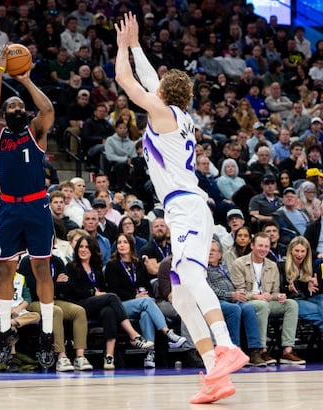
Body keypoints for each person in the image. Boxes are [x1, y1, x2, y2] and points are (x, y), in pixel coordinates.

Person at [114, 14, 247, 404]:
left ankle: (226, 346)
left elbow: (126, 81)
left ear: (162, 94)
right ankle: (215, 372)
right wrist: (136, 46)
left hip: (187, 206)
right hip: (184, 209)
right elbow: (150, 79)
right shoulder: (180, 116)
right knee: (181, 294)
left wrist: (121, 47)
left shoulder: (162, 114)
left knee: (189, 273)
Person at [0, 44, 56, 367]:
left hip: (37, 206)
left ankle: (47, 335)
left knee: (41, 268)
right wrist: (0, 71)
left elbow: (48, 109)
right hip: (9, 209)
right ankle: (4, 332)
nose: (15, 108)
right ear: (5, 114)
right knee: (6, 269)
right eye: (10, 105)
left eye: (19, 105)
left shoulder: (36, 131)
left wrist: (25, 80)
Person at [65, 235, 153, 369]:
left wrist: (99, 294)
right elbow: (72, 290)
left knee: (109, 311)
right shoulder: (71, 267)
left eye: (87, 247)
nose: (83, 250)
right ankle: (133, 335)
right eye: (81, 247)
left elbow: (103, 287)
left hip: (96, 305)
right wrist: (93, 293)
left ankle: (109, 356)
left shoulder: (96, 267)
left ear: (92, 250)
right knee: (112, 297)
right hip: (79, 305)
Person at [104, 233, 187, 368]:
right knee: (147, 302)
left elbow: (148, 286)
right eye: (119, 243)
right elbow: (114, 291)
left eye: (125, 242)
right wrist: (134, 296)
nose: (122, 245)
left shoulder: (139, 264)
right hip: (120, 305)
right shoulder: (112, 265)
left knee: (146, 313)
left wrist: (144, 295)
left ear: (131, 245)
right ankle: (168, 332)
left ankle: (150, 353)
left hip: (141, 303)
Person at [229, 232, 305, 366]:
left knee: (291, 304)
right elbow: (239, 291)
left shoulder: (272, 265)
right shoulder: (239, 263)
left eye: (266, 246)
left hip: (267, 302)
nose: (263, 249)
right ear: (252, 245)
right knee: (262, 305)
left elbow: (274, 292)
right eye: (260, 245)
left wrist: (278, 296)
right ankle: (262, 349)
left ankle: (287, 351)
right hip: (247, 302)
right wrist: (257, 296)